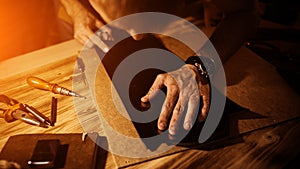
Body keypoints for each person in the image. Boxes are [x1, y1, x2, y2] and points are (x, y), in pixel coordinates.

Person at [60, 0, 259, 136]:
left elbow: (245, 12)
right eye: (125, 24)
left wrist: (199, 66)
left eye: (142, 20)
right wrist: (76, 9)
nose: (136, 37)